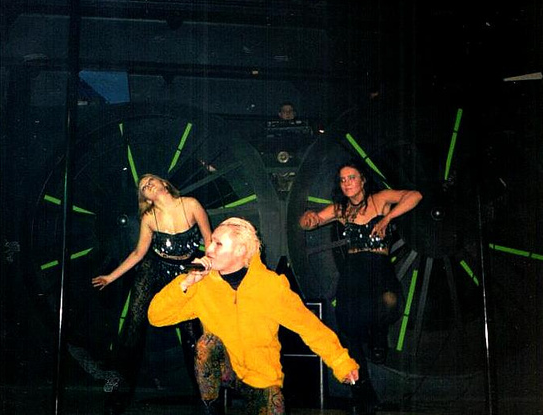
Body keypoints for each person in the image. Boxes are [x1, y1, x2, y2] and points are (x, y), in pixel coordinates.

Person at [148, 217, 359, 415]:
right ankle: (210, 409)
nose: (208, 249)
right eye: (211, 242)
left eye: (218, 244)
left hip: (261, 375)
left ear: (240, 250)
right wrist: (185, 283)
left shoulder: (270, 285)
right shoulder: (201, 285)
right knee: (207, 344)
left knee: (271, 405)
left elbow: (309, 326)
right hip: (225, 368)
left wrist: (341, 362)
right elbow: (156, 316)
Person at [299, 161, 422, 414]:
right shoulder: (342, 209)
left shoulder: (381, 199)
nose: (346, 183)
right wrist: (308, 219)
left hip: (378, 267)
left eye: (351, 177)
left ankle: (378, 335)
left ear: (363, 179)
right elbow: (310, 221)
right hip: (353, 270)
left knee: (389, 302)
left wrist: (388, 218)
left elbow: (415, 196)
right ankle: (363, 393)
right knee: (347, 327)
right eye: (342, 179)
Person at [91, 174, 212, 395]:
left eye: (150, 180)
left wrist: (208, 265)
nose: (147, 184)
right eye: (143, 186)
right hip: (155, 267)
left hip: (187, 268)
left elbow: (208, 239)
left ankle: (204, 395)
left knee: (191, 331)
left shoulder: (191, 204)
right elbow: (138, 253)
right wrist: (110, 277)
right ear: (145, 198)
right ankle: (120, 389)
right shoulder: (149, 218)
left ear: (163, 183)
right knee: (134, 322)